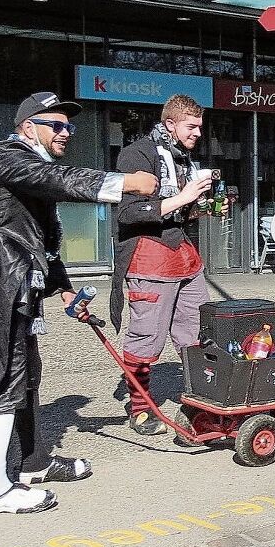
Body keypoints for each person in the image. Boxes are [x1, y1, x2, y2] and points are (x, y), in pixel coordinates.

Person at [0, 92, 158, 514]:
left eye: (69, 126)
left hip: (7, 280)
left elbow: (42, 240)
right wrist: (124, 184)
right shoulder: (6, 155)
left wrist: (64, 288)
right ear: (29, 128)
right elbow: (58, 181)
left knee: (25, 375)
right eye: (56, 125)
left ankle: (33, 464)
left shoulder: (29, 172)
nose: (66, 133)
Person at [110, 94, 227, 436]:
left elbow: (175, 210)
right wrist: (185, 197)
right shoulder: (136, 154)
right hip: (148, 257)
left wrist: (200, 206)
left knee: (197, 334)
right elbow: (129, 213)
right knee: (147, 337)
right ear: (170, 124)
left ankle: (199, 400)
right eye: (191, 127)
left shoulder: (182, 157)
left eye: (200, 127)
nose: (198, 134)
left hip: (184, 257)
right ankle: (140, 407)